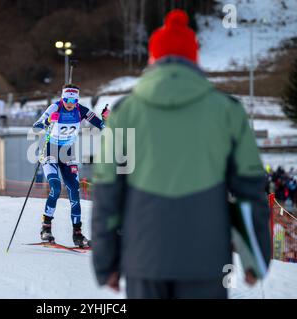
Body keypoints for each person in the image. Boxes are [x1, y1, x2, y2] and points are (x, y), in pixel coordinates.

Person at [91, 9, 271, 299]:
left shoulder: (125, 112)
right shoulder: (228, 112)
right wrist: (256, 257)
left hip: (143, 259)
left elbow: (107, 193)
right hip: (207, 262)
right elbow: (250, 191)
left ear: (152, 59)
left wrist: (105, 262)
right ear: (195, 60)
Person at [33, 84, 109, 247]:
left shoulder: (81, 110)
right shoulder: (55, 107)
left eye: (73, 100)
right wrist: (47, 121)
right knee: (55, 187)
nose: (70, 103)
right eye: (67, 99)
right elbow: (37, 125)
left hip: (68, 153)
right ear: (62, 98)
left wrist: (107, 120)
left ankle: (78, 234)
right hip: (50, 151)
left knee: (74, 191)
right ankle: (46, 228)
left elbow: (102, 126)